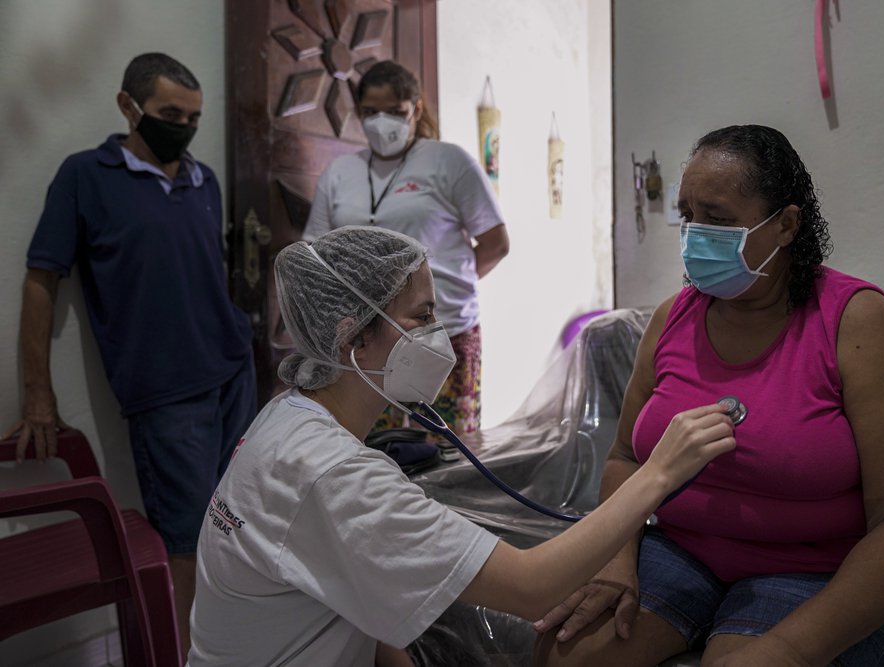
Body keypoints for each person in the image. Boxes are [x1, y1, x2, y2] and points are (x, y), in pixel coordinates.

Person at [187, 225, 736, 667]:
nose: (438, 334)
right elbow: (531, 588)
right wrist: (659, 472)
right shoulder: (334, 475)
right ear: (353, 339)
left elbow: (350, 597)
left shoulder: (286, 418)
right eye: (421, 317)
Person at [533, 125, 884, 667]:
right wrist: (616, 556)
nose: (696, 235)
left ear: (786, 225)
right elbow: (625, 459)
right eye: (688, 215)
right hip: (681, 552)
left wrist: (789, 648)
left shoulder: (857, 322)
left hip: (818, 568)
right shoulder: (671, 318)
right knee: (564, 654)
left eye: (719, 219)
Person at [7, 53, 256, 655]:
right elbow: (42, 280)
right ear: (129, 106)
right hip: (165, 392)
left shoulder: (204, 181)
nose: (184, 126)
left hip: (232, 371)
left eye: (194, 116)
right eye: (171, 113)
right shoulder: (84, 175)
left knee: (241, 524)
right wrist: (39, 393)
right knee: (184, 541)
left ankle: (238, 648)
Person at [304, 60, 509, 436]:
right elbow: (313, 249)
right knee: (371, 447)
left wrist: (439, 289)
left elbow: (496, 243)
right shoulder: (340, 172)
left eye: (395, 112)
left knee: (447, 448)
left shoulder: (448, 161)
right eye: (370, 112)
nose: (382, 123)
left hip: (442, 332)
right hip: (366, 340)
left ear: (415, 109)